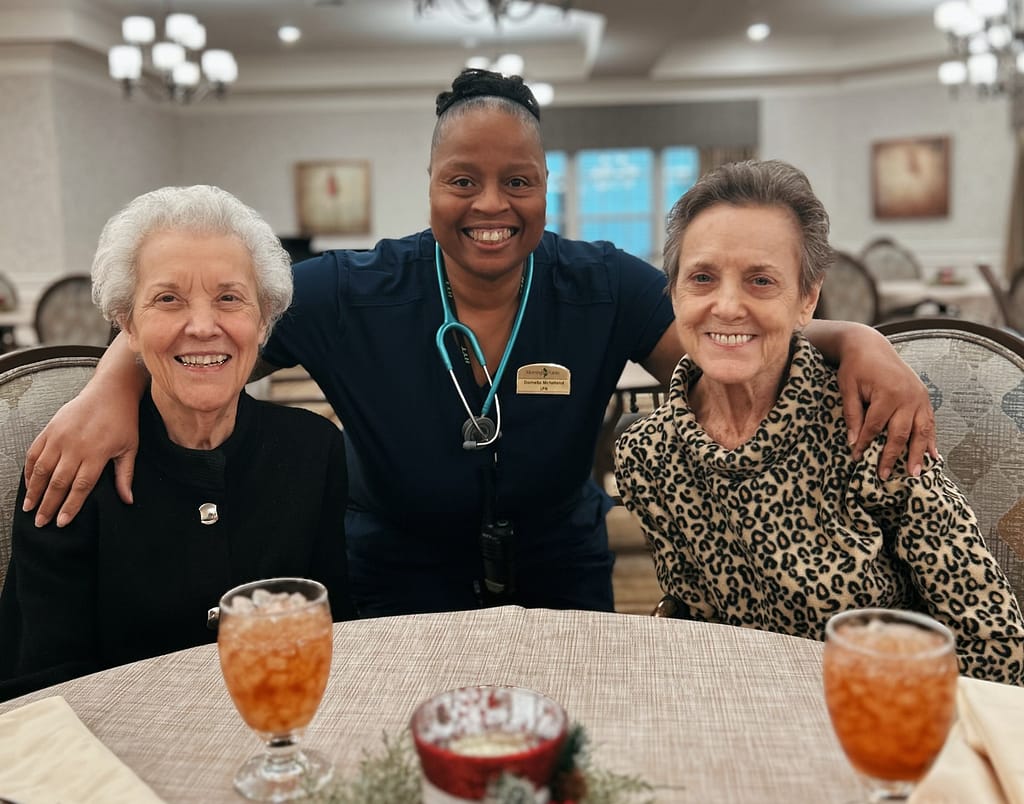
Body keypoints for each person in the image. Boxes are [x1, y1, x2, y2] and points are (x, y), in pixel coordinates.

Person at [21, 70, 936, 618]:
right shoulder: (350, 289)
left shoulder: (603, 282)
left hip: (565, 580)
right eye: (463, 179)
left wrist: (851, 335)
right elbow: (209, 332)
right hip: (394, 586)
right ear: (429, 183)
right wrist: (111, 382)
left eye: (518, 181)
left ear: (546, 187)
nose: (491, 205)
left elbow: (728, 340)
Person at [614, 159, 1024, 684]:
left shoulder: (868, 426)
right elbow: (692, 618)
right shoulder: (647, 454)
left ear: (807, 299)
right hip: (737, 704)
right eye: (702, 278)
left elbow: (993, 647)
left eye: (761, 280)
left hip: (883, 706)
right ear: (674, 291)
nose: (728, 306)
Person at [0, 185, 355, 701]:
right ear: (128, 324)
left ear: (263, 322)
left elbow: (333, 635)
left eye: (229, 298)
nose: (203, 326)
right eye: (168, 299)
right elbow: (40, 688)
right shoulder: (72, 466)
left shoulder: (314, 449)